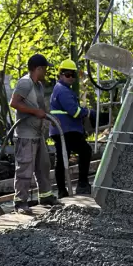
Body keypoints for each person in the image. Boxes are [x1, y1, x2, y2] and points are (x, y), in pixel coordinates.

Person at [10, 54, 59, 214]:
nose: (46, 72)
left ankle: (45, 196)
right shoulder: (25, 83)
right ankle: (20, 202)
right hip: (26, 135)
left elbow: (39, 107)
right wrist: (35, 112)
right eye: (45, 69)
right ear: (38, 68)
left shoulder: (37, 85)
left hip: (37, 134)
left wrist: (48, 118)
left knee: (43, 166)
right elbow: (14, 103)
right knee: (24, 169)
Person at [49, 59, 94, 198]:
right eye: (68, 74)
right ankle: (81, 184)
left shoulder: (62, 89)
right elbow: (74, 111)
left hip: (65, 130)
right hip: (66, 130)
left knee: (63, 159)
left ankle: (63, 191)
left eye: (73, 75)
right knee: (84, 151)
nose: (71, 78)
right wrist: (86, 112)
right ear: (60, 74)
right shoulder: (63, 90)